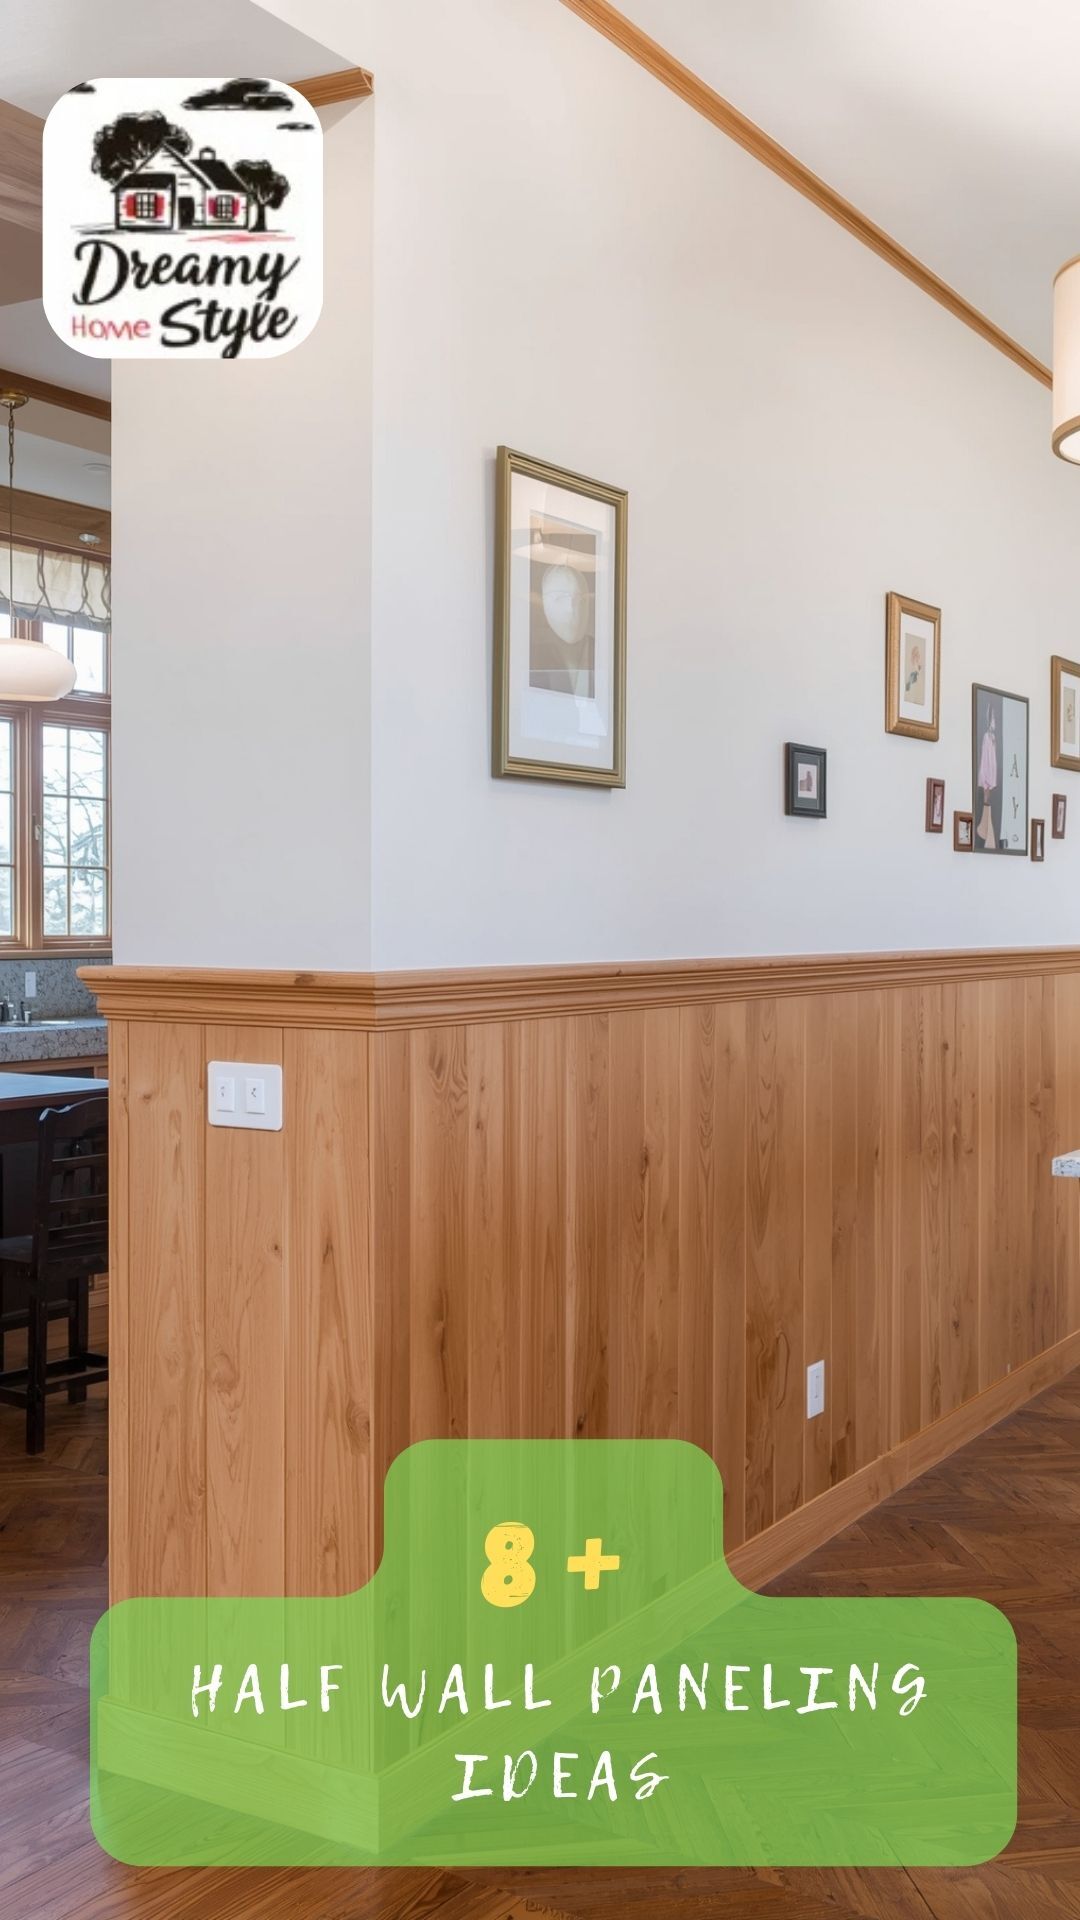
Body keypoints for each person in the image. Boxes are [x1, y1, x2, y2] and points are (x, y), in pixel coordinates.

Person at [977, 706, 998, 850]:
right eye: (993, 718)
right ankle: (985, 830)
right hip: (987, 773)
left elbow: (993, 758)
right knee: (986, 797)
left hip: (992, 773)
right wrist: (986, 776)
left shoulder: (993, 737)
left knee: (989, 799)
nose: (994, 722)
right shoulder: (986, 736)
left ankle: (986, 831)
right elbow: (986, 758)